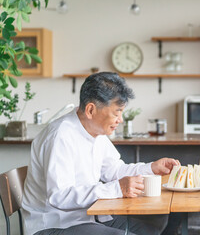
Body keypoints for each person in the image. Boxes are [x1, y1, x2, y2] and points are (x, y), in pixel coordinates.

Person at [22, 72, 180, 235]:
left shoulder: (96, 133)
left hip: (88, 217)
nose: (120, 120)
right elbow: (59, 196)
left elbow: (115, 171)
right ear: (91, 110)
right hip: (55, 225)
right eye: (116, 112)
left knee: (151, 228)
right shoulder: (60, 136)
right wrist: (117, 188)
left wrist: (152, 168)